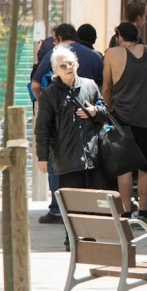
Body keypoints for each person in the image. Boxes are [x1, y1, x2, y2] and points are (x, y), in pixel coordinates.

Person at [35, 46, 110, 249]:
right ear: (55, 70)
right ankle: (73, 240)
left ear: (77, 64)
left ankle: (89, 238)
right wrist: (42, 156)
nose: (68, 67)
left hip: (92, 154)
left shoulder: (90, 85)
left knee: (91, 200)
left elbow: (105, 111)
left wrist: (94, 111)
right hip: (66, 157)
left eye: (71, 63)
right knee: (72, 202)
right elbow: (42, 127)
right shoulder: (50, 94)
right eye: (63, 65)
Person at [102, 22, 147, 230]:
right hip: (146, 118)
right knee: (145, 168)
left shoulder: (112, 53)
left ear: (119, 36)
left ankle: (126, 214)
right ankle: (144, 215)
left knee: (125, 169)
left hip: (121, 117)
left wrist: (107, 112)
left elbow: (107, 87)